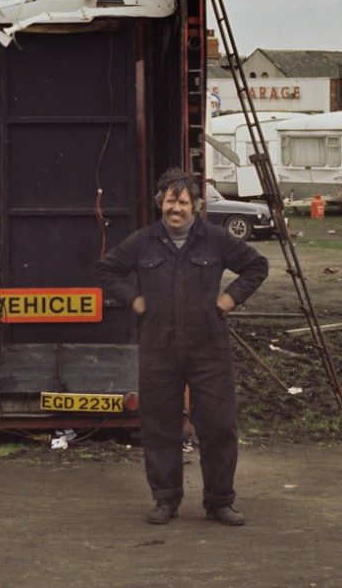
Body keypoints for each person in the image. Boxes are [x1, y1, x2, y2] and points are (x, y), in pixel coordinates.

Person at [96, 167, 268, 526]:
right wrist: (135, 301)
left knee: (219, 426)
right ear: (161, 203)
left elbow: (256, 265)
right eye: (171, 201)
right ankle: (165, 499)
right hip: (159, 348)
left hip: (209, 348)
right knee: (159, 426)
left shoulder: (216, 239)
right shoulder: (142, 241)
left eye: (184, 202)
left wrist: (230, 299)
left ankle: (219, 502)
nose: (177, 209)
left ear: (196, 206)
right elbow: (108, 270)